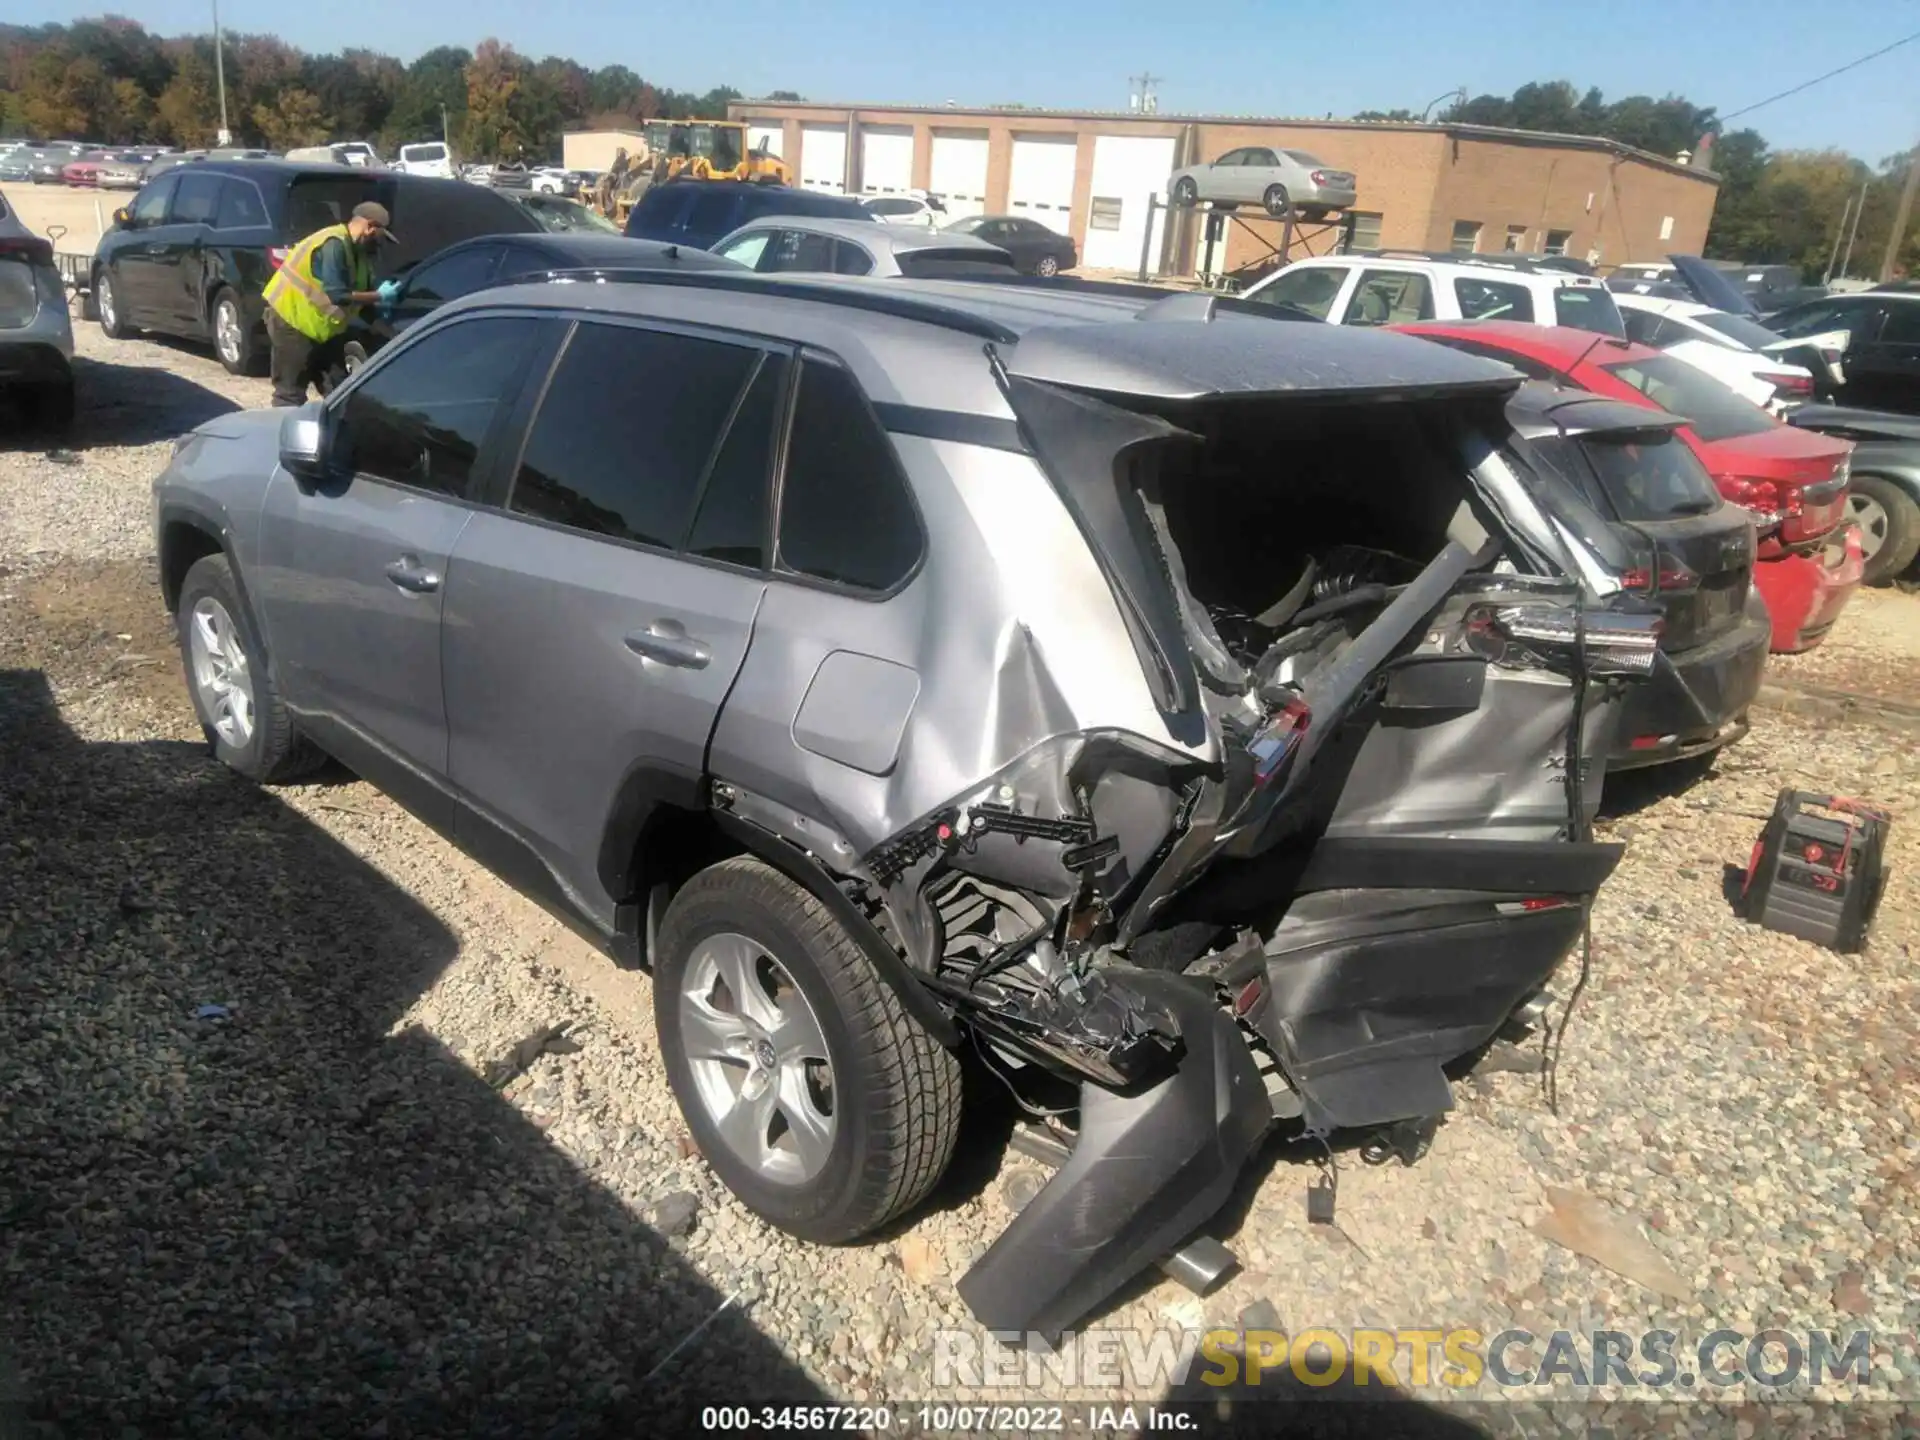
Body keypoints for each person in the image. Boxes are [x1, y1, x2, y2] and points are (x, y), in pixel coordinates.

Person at [262, 201, 400, 407]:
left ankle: (340, 436)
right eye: (381, 236)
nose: (380, 244)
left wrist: (390, 333)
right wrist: (379, 296)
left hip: (323, 330)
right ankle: (283, 436)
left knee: (340, 389)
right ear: (370, 227)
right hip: (292, 322)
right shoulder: (333, 244)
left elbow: (359, 303)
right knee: (290, 394)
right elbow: (337, 294)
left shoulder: (358, 253)